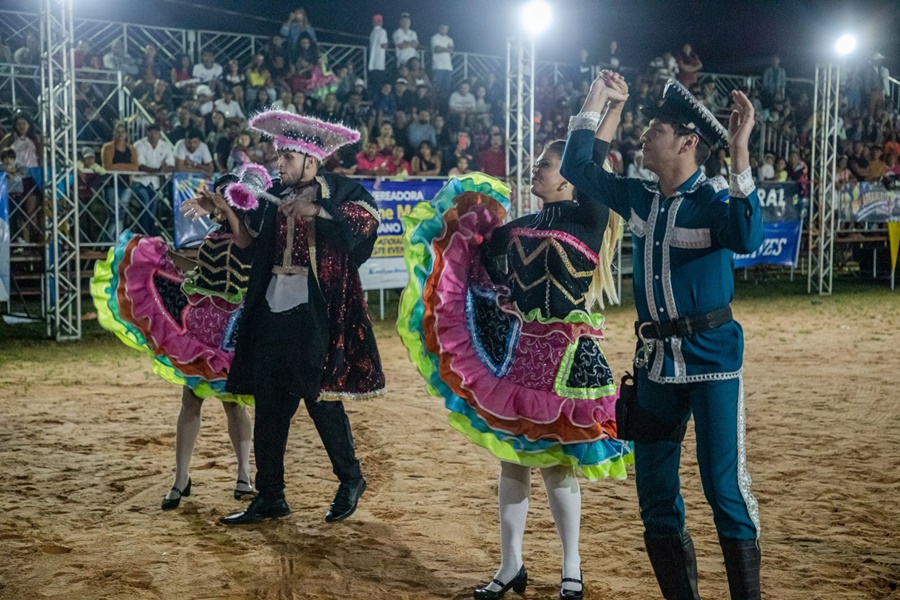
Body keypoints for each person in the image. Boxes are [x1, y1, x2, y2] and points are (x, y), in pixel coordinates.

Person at [399, 136, 632, 598]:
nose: (534, 169)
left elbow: (592, 155)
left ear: (568, 175)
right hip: (520, 358)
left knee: (557, 467)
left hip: (567, 361)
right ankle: (511, 566)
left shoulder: (591, 216)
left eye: (544, 164)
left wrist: (602, 102)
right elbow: (471, 261)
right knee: (512, 461)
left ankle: (572, 568)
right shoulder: (518, 228)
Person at [561, 72, 763, 600]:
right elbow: (575, 167)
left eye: (655, 130)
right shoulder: (639, 198)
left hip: (712, 363)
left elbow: (747, 237)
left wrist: (740, 153)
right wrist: (598, 101)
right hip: (655, 368)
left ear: (688, 141)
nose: (643, 138)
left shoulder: (714, 203)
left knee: (724, 489)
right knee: (654, 495)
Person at [220, 110, 385, 525]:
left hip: (317, 313)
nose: (279, 164)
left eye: (288, 158)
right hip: (273, 309)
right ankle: (270, 494)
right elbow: (248, 244)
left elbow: (365, 223)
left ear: (311, 160)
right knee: (270, 407)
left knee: (321, 400)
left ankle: (350, 480)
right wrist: (227, 212)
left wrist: (317, 210)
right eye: (278, 157)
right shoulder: (273, 195)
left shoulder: (342, 190)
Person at [91, 173, 257, 511]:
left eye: (227, 196)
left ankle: (244, 474)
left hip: (230, 331)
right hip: (199, 328)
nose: (218, 202)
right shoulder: (214, 233)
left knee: (232, 403)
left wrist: (224, 205)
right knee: (191, 400)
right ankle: (181, 478)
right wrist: (165, 258)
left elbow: (243, 243)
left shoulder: (250, 234)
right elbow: (198, 270)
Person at [132, 123, 175, 235]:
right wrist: (159, 170)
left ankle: (149, 233)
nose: (153, 135)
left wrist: (164, 168)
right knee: (146, 202)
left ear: (159, 133)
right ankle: (144, 233)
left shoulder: (165, 146)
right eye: (150, 132)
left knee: (153, 207)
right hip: (140, 181)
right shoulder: (139, 145)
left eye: (155, 132)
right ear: (147, 133)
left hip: (155, 183)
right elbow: (141, 166)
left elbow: (171, 164)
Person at [101, 123, 139, 241]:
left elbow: (135, 167)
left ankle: (116, 242)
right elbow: (108, 166)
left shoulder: (131, 149)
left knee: (121, 214)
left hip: (126, 184)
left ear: (126, 134)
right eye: (118, 131)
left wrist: (119, 166)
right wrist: (126, 167)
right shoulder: (108, 147)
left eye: (122, 131)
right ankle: (107, 242)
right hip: (112, 184)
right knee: (114, 214)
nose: (120, 134)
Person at [368, 14, 389, 97]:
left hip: (372, 63)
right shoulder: (382, 31)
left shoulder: (372, 33)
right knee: (379, 85)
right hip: (379, 63)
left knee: (374, 85)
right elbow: (384, 45)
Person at [430, 24, 454, 94]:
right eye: (442, 28)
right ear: (439, 28)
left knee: (446, 88)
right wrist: (447, 48)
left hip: (448, 67)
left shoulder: (450, 39)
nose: (444, 30)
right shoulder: (435, 37)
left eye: (445, 28)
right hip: (438, 66)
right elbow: (436, 49)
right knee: (436, 88)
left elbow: (451, 51)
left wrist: (442, 48)